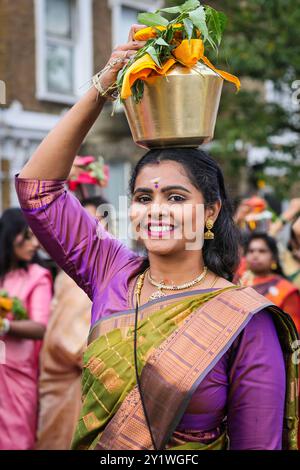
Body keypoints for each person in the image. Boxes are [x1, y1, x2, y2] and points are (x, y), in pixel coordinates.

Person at [15, 25, 299, 450]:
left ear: (211, 210)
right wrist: (103, 86)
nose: (156, 209)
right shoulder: (113, 272)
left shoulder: (246, 321)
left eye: (176, 196)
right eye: (144, 197)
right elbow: (37, 189)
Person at [36, 196, 110, 450]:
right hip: (68, 382)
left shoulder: (103, 268)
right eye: (85, 221)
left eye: (99, 222)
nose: (92, 227)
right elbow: (65, 342)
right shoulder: (74, 271)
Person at [0, 209, 52, 450]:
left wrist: (6, 325)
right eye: (27, 237)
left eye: (35, 237)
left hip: (18, 374)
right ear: (10, 237)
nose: (34, 244)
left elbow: (41, 327)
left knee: (18, 440)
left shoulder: (37, 276)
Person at [237, 232, 300, 333]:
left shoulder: (286, 289)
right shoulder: (239, 284)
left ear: (274, 257)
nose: (255, 255)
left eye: (262, 251)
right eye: (251, 251)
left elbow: (294, 331)